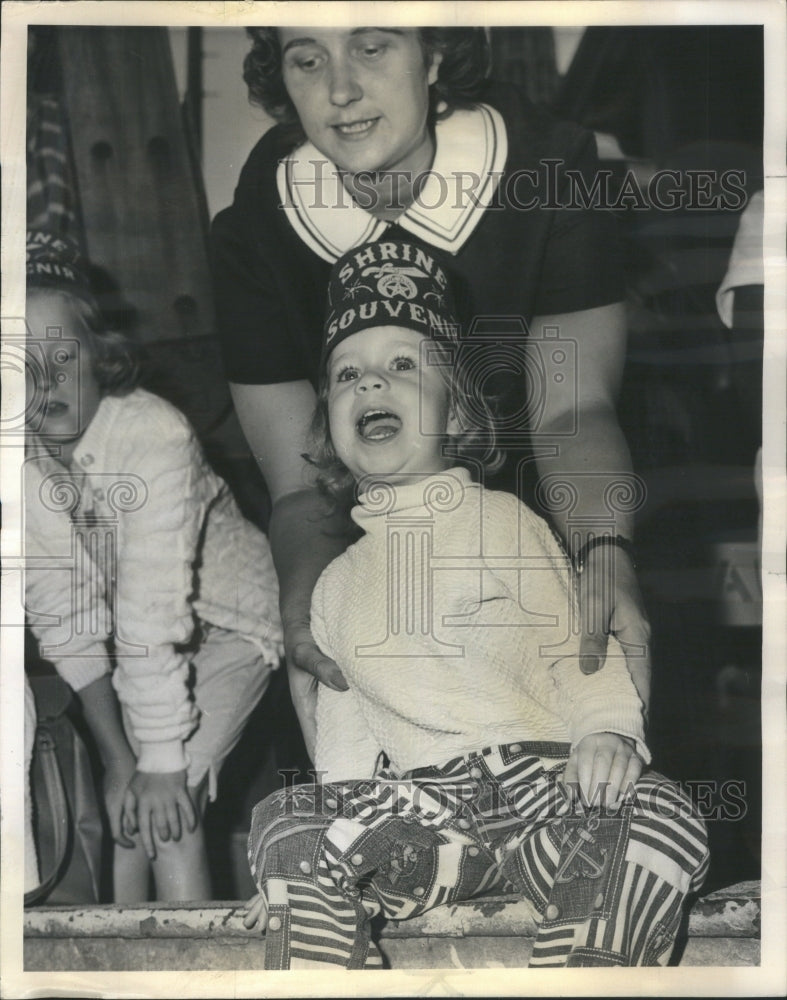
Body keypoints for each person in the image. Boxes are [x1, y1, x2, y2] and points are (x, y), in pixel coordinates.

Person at [244, 242, 709, 969]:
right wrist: (308, 867)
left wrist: (609, 732)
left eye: (402, 365)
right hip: (428, 825)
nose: (371, 383)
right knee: (284, 820)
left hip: (550, 792)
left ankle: (582, 968)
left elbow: (575, 640)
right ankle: (320, 956)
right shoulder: (332, 585)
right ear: (325, 429)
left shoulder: (501, 521)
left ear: (456, 407)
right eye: (345, 375)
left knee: (658, 814)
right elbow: (343, 737)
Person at [211, 26, 651, 761]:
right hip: (374, 552)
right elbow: (300, 479)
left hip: (542, 529)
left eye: (372, 48)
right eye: (307, 58)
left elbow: (573, 410)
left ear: (436, 52)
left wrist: (603, 553)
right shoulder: (258, 223)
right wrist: (311, 620)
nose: (340, 89)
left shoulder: (546, 168)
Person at [24, 230, 283, 901]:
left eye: (61, 356)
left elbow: (151, 607)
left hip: (231, 624)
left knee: (169, 806)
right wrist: (118, 760)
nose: (42, 382)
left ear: (100, 360)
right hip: (144, 647)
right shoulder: (19, 460)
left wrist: (163, 761)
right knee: (129, 810)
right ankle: (123, 964)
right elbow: (66, 615)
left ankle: (184, 968)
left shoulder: (151, 435)